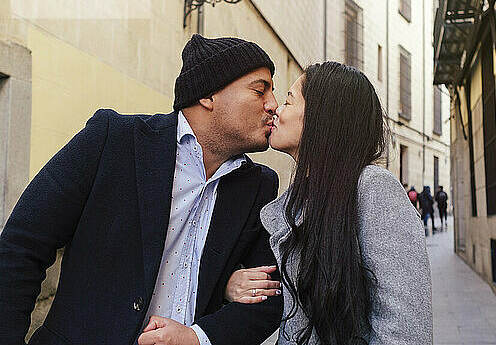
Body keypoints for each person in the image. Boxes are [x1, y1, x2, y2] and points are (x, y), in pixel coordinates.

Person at [0, 35, 284, 345]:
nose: (273, 104)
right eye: (260, 90)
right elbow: (21, 247)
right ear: (208, 95)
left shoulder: (259, 186)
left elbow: (268, 297)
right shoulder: (115, 140)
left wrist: (199, 337)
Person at [225, 62, 432, 344]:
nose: (276, 109)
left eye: (288, 101)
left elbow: (405, 330)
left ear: (321, 117)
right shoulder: (296, 202)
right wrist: (232, 283)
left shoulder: (372, 188)